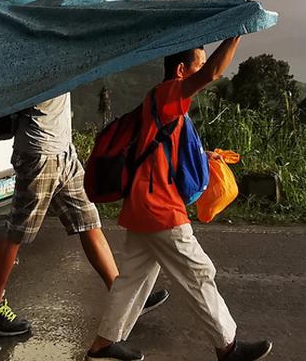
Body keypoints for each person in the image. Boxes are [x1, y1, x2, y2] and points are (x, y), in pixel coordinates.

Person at [85, 38, 272, 361]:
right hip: (159, 209)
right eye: (196, 65)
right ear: (181, 70)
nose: (201, 71)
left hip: (142, 207)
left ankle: (103, 345)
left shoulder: (164, 104)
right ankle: (228, 347)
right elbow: (213, 73)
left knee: (133, 280)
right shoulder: (169, 92)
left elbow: (167, 151)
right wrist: (236, 34)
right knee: (199, 273)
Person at [0, 94, 167, 337]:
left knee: (89, 222)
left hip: (65, 152)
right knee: (18, 232)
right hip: (40, 153)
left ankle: (124, 300)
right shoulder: (35, 59)